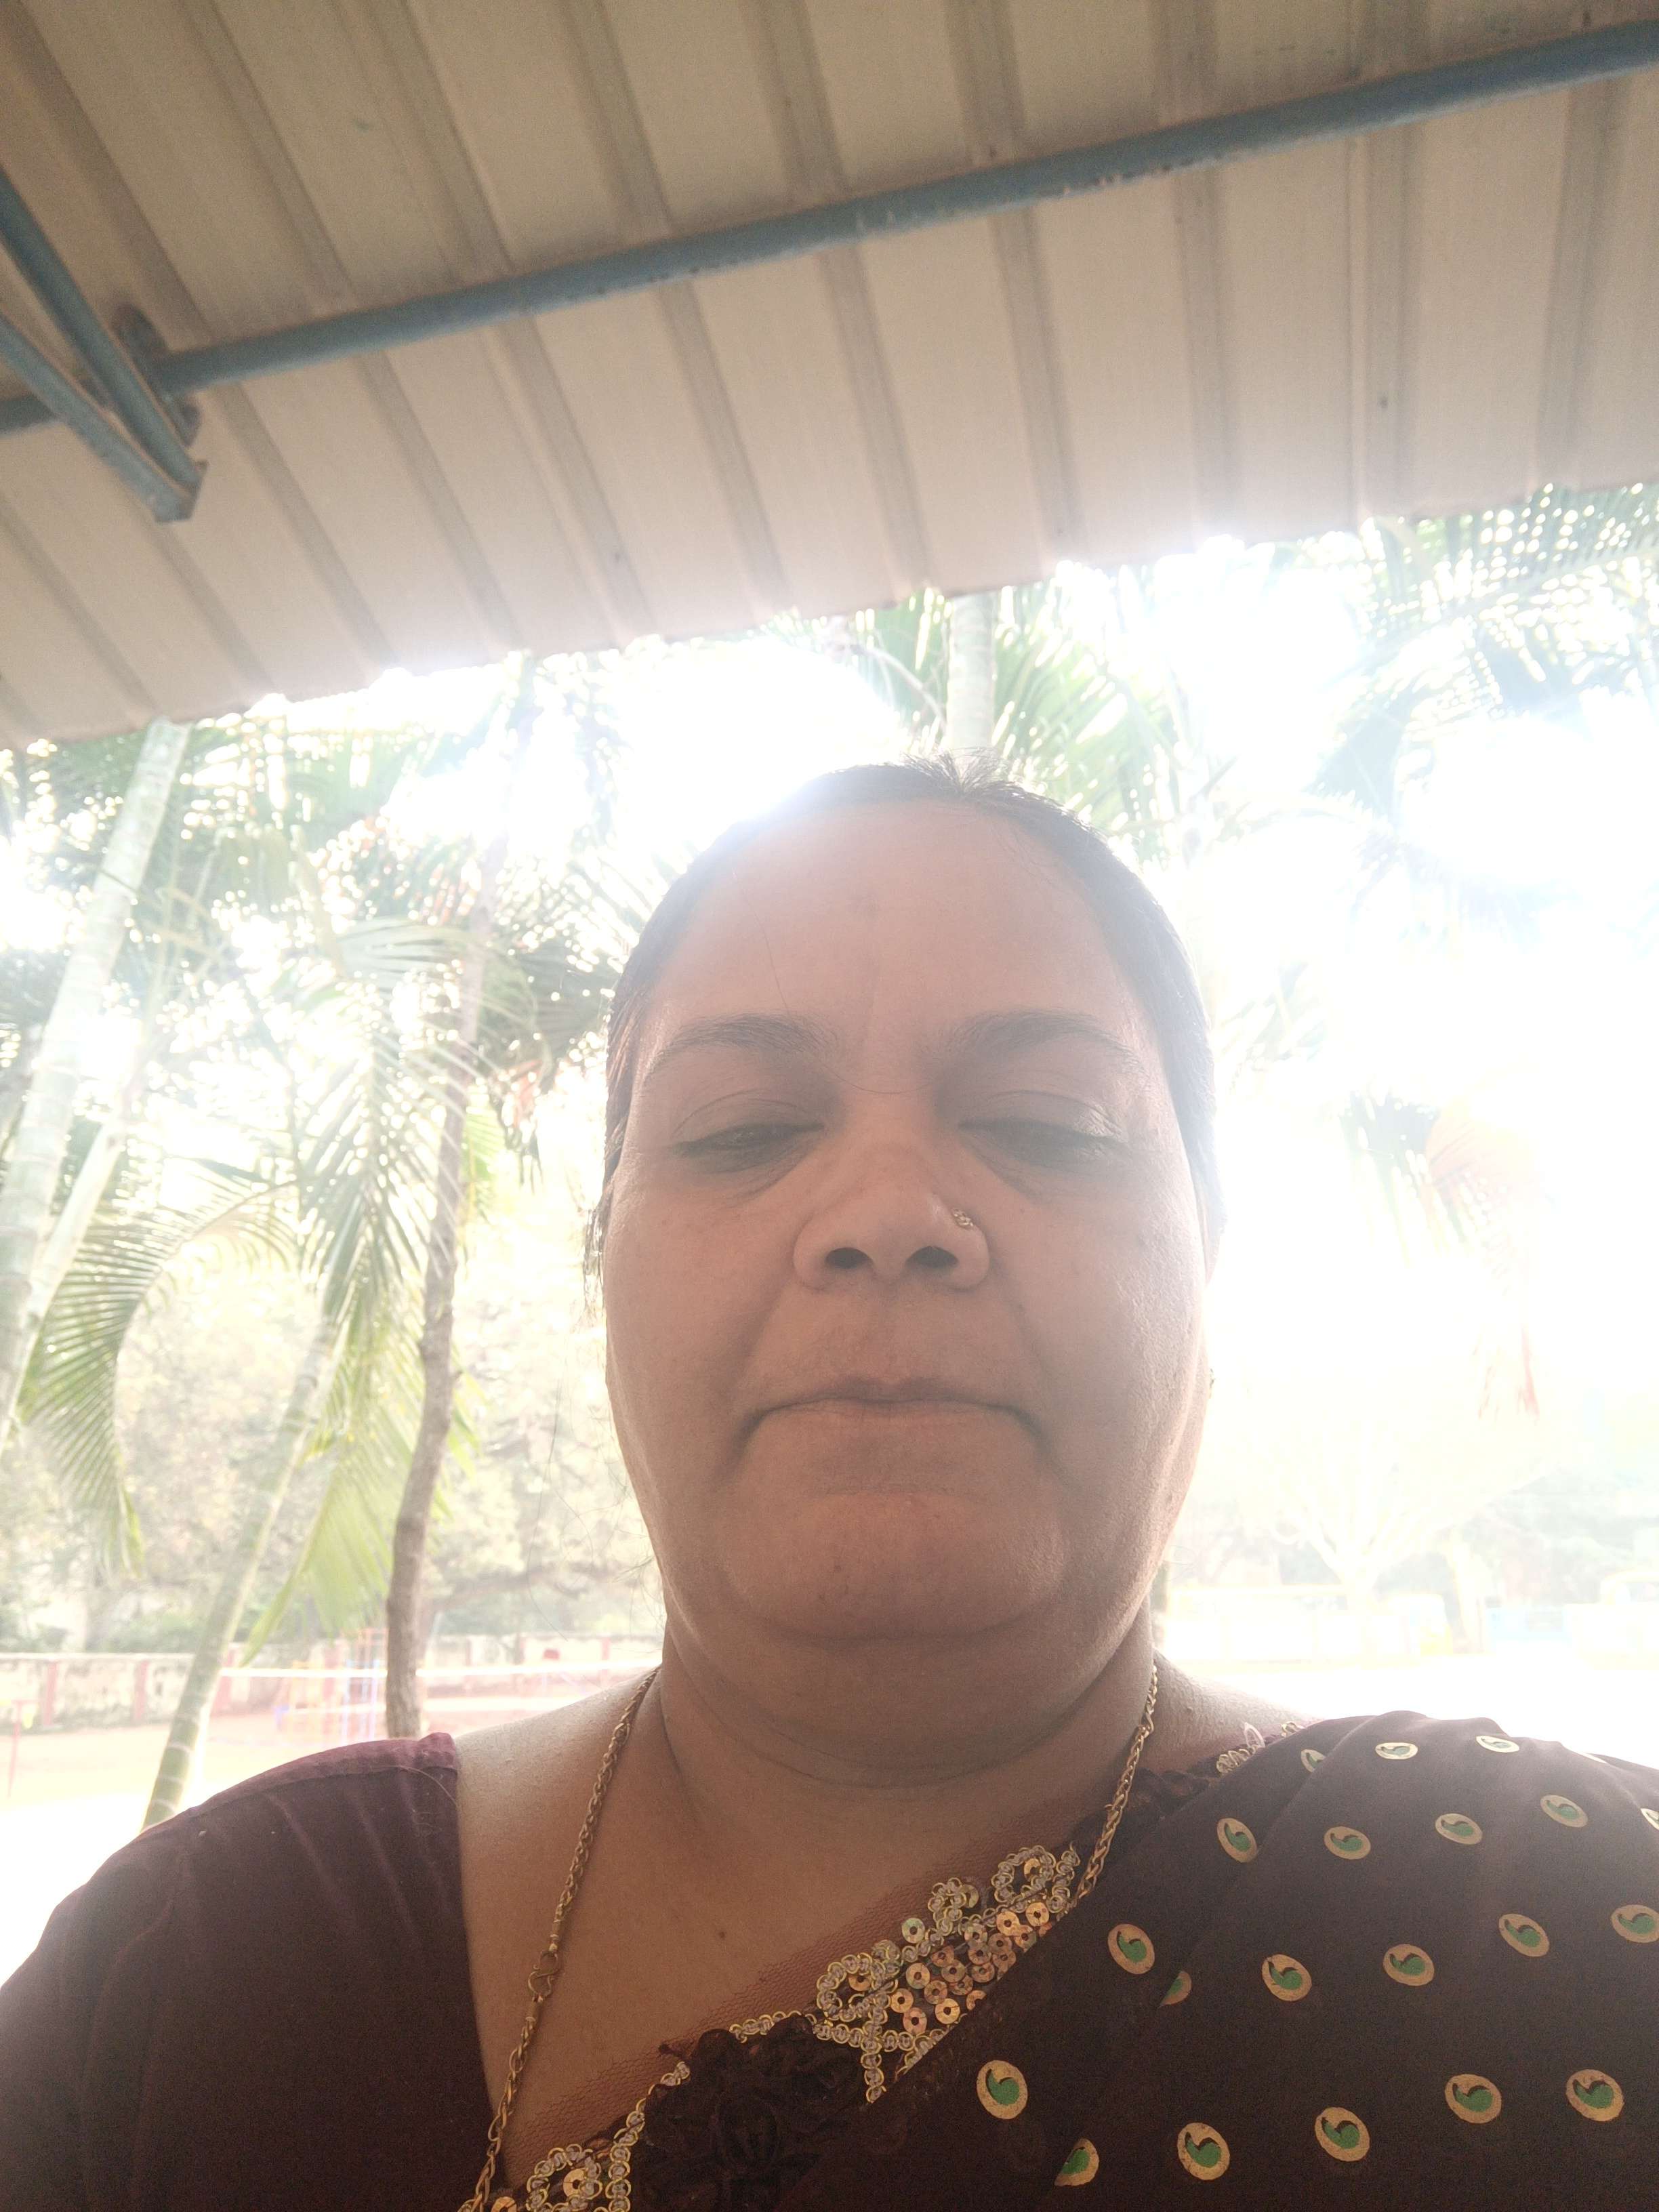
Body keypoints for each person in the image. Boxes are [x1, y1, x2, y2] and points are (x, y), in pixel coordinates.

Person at [2, 758, 1654, 2211]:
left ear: (1205, 1261)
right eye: (736, 1128)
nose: (888, 1210)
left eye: (1048, 1119)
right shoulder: (195, 1984)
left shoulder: (1564, 1931)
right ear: (606, 1271)